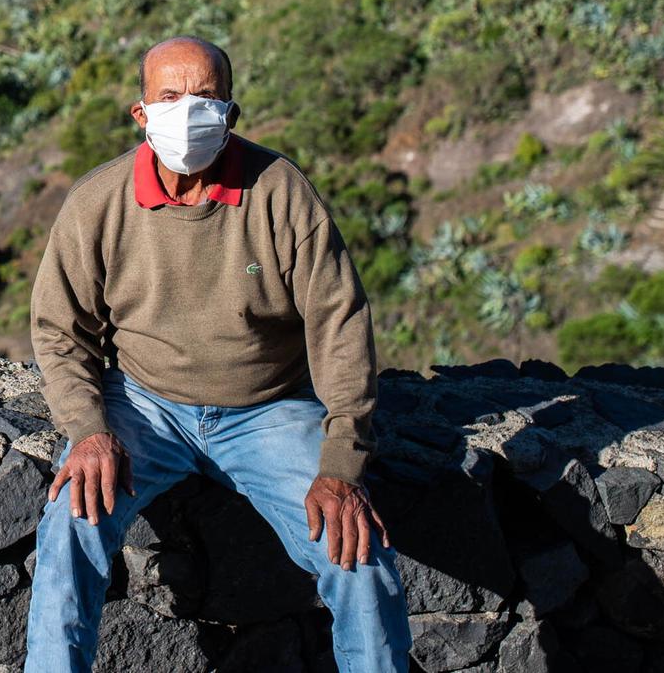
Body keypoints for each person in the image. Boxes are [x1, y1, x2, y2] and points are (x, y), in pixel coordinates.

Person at [23, 35, 412, 672]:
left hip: (270, 409)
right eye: (170, 97)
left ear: (230, 110)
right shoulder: (97, 202)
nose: (188, 112)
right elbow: (60, 330)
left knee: (356, 554)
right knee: (70, 525)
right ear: (140, 113)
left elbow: (341, 326)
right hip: (146, 407)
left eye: (205, 97)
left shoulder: (281, 193)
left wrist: (342, 462)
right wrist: (88, 429)